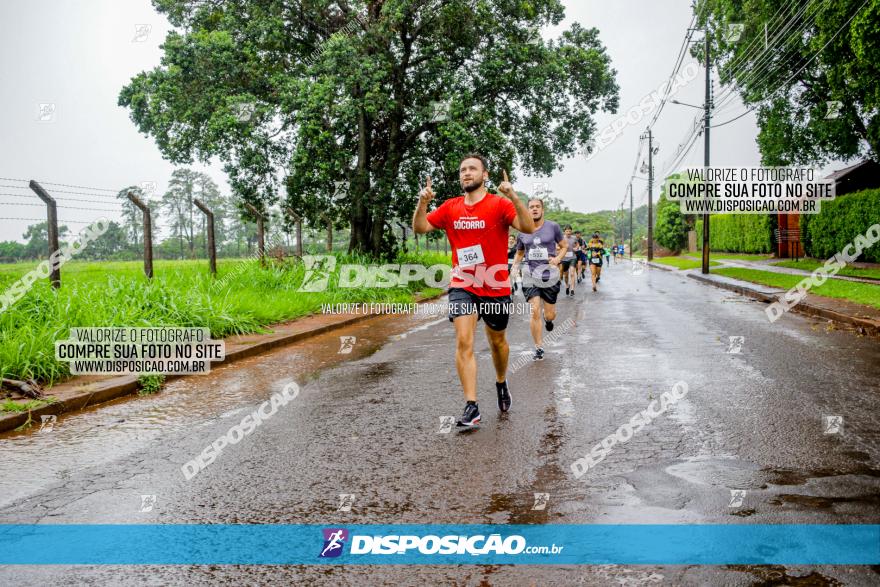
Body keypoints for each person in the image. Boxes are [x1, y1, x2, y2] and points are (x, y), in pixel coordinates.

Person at [412, 153, 535, 427]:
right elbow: (420, 227)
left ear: (485, 175)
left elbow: (528, 226)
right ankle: (472, 406)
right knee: (464, 341)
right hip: (462, 284)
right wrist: (422, 203)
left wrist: (514, 196)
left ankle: (501, 382)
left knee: (497, 343)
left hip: (495, 285)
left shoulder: (499, 205)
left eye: (472, 169)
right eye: (462, 170)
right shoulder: (450, 207)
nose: (466, 173)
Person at [511, 199, 567, 361]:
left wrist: (557, 259)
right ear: (527, 210)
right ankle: (538, 347)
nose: (534, 209)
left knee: (550, 315)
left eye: (537, 207)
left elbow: (564, 246)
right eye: (531, 207)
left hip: (550, 275)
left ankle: (548, 320)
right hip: (530, 274)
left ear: (542, 209)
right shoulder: (522, 229)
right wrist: (515, 266)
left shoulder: (553, 227)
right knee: (534, 310)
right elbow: (520, 252)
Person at [561, 225, 578, 297]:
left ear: (571, 231)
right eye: (567, 231)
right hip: (564, 258)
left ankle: (572, 289)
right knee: (566, 276)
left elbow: (577, 244)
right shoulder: (561, 238)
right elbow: (557, 246)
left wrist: (576, 248)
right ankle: (567, 286)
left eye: (570, 231)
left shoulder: (574, 238)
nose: (568, 232)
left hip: (572, 257)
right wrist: (559, 248)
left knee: (572, 273)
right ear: (564, 232)